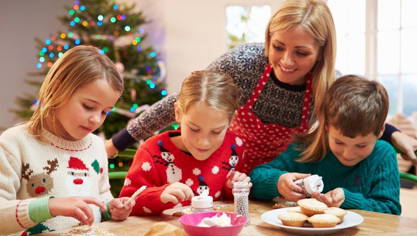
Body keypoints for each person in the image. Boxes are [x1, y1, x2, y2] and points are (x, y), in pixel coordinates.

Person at [106, 0, 417, 171]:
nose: (286, 61)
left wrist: (395, 134)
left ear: (322, 52)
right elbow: (185, 100)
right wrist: (116, 142)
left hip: (282, 177)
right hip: (225, 169)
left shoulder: (327, 82)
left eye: (302, 53)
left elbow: (356, 112)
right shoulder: (244, 64)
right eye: (278, 46)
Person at [0, 45, 134, 236]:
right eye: (88, 107)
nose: (96, 119)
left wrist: (111, 208)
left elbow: (101, 198)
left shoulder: (96, 146)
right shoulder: (14, 143)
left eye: (105, 112)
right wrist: (49, 206)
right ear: (57, 89)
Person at [250, 75, 401, 215]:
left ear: (381, 131)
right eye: (339, 142)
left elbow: (391, 210)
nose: (348, 154)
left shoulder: (383, 154)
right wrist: (278, 182)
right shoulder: (306, 148)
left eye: (361, 145)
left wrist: (348, 200)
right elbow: (255, 179)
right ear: (327, 127)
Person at [119, 70, 250, 215]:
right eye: (194, 129)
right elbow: (125, 204)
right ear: (178, 113)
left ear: (231, 121)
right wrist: (158, 195)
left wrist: (233, 188)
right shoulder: (152, 152)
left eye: (216, 131)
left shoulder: (234, 147)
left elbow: (228, 202)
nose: (203, 142)